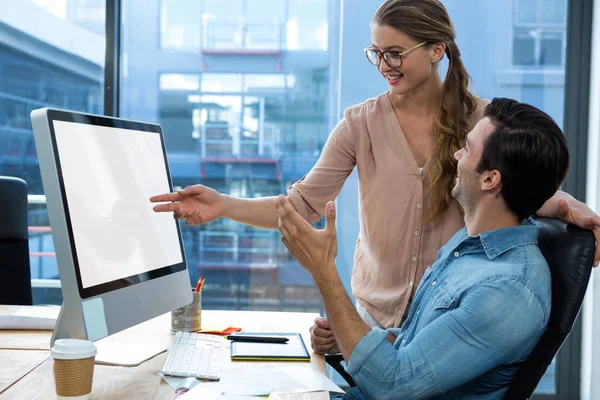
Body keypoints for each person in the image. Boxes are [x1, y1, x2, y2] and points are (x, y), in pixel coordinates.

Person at [150, 0, 600, 353]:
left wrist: (565, 205)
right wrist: (223, 205)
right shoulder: (360, 125)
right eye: (376, 53)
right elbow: (302, 205)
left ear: (436, 50)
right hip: (369, 319)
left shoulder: (482, 125)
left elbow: (510, 187)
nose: (384, 65)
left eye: (395, 53)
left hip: (442, 321)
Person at [275, 98, 569, 399]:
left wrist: (324, 271)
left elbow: (392, 386)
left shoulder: (508, 291)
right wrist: (346, 337)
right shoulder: (467, 245)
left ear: (490, 179)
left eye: (467, 148)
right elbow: (416, 345)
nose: (456, 155)